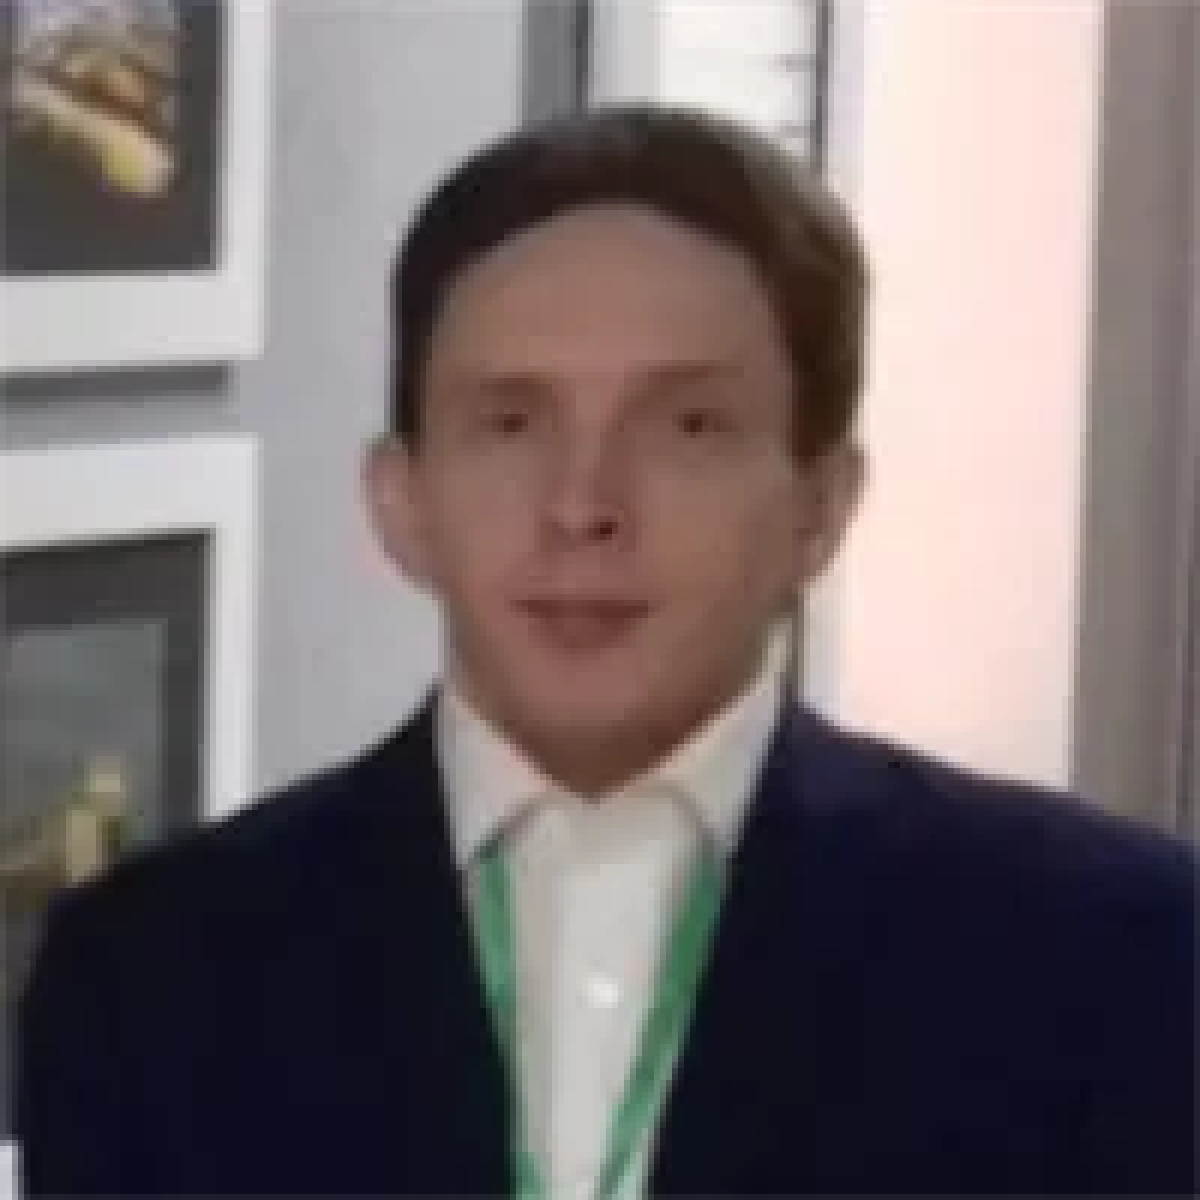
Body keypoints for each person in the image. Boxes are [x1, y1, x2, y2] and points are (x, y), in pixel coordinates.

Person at [16, 105, 1195, 1197]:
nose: (583, 507)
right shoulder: (148, 974)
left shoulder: (1115, 957)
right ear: (401, 500)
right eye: (510, 423)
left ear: (821, 505)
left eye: (688, 426)